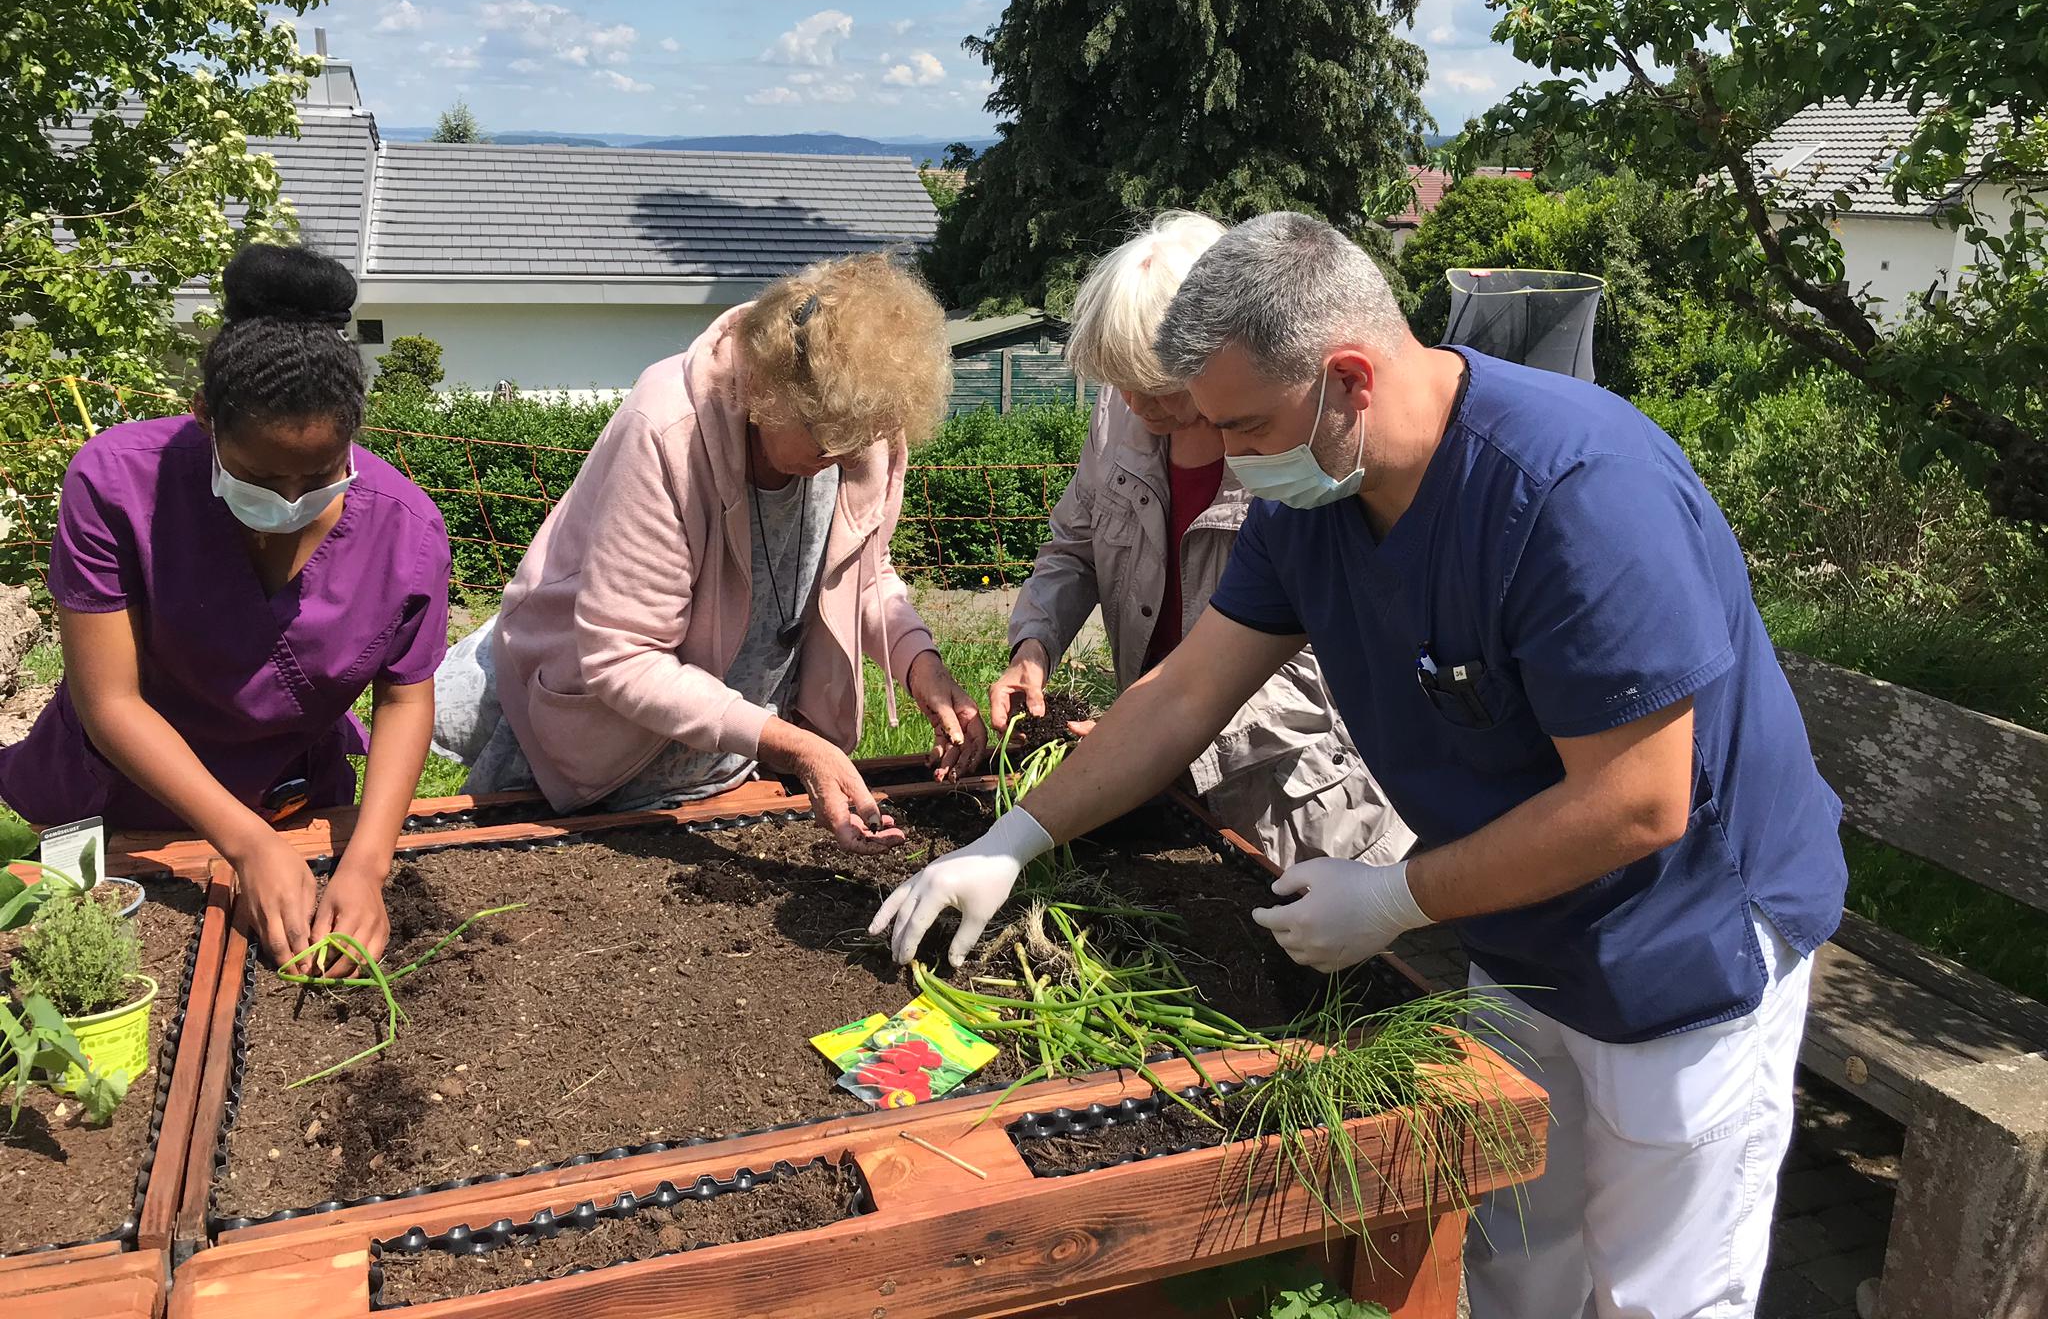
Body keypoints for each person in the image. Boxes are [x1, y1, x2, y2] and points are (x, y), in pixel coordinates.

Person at [872, 212, 1847, 1319]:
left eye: (1239, 425)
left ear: (1346, 378)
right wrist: (1014, 839)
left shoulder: (1572, 492)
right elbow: (1188, 693)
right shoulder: (1317, 497)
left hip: (1678, 945)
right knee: (1513, 1251)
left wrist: (1394, 895)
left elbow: (1635, 804)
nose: (1225, 458)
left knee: (1656, 1290)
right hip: (1517, 926)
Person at [0, 244, 453, 974]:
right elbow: (108, 700)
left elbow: (404, 695)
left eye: (319, 474)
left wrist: (366, 863)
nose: (289, 500)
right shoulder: (116, 485)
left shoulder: (406, 529)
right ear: (205, 417)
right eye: (261, 476)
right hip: (124, 800)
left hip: (294, 800)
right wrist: (243, 843)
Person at [434, 253, 987, 849]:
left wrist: (919, 664)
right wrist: (793, 744)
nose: (848, 459)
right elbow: (623, 657)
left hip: (730, 747)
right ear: (770, 391)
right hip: (600, 748)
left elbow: (863, 576)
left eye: (865, 442)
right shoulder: (667, 427)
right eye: (829, 440)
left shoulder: (862, 429)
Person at [992, 212, 1410, 869]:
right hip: (1152, 782)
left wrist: (1160, 733)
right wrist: (1034, 643)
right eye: (1118, 384)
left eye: (1158, 385)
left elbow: (1326, 659)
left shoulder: (1294, 455)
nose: (1135, 405)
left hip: (1294, 807)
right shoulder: (1124, 416)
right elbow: (1073, 546)